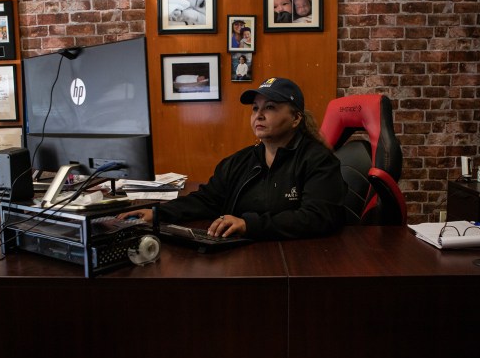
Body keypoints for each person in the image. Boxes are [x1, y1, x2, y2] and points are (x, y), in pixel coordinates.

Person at [119, 77, 347, 240]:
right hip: (243, 253)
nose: (259, 114)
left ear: (296, 118)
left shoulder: (318, 160)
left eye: (270, 107)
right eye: (255, 108)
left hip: (297, 261)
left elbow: (317, 218)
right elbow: (207, 199)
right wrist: (157, 213)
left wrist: (249, 225)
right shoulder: (241, 161)